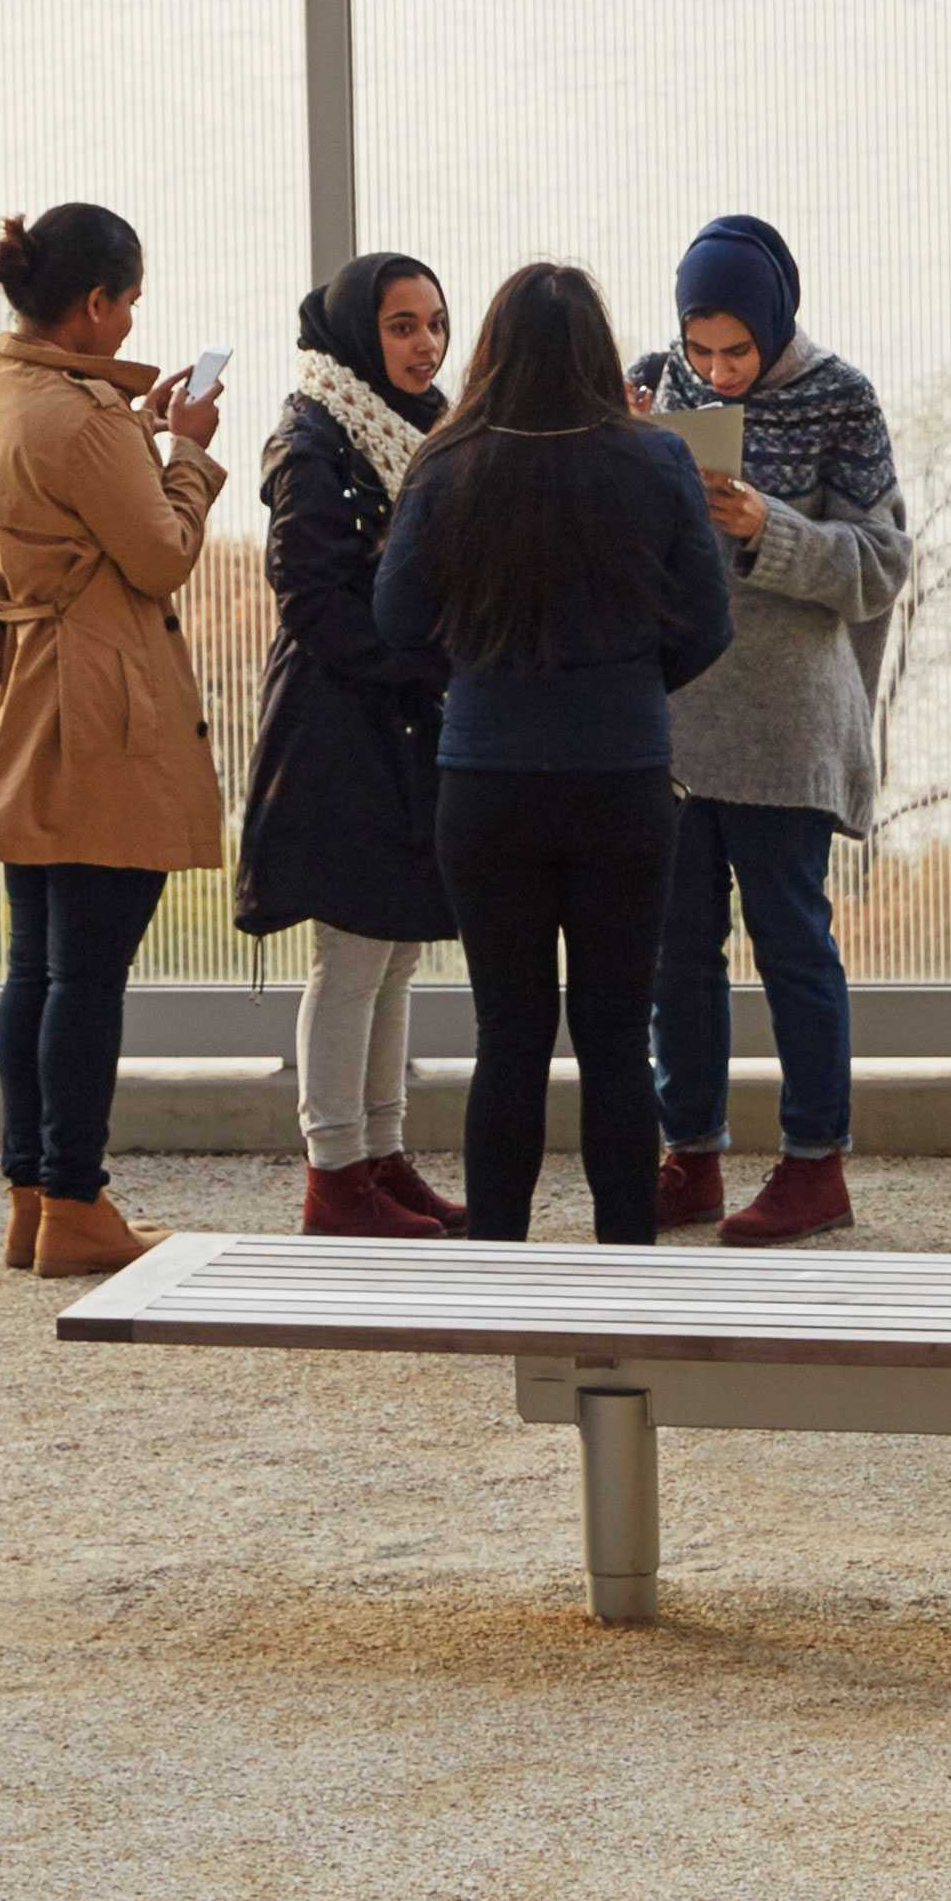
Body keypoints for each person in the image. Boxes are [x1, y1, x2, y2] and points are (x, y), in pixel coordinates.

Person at [370, 260, 729, 1249]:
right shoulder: (654, 461)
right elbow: (707, 623)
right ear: (596, 353)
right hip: (621, 779)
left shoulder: (447, 463)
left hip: (485, 780)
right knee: (616, 1038)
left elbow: (396, 621)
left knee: (509, 1036)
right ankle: (625, 1264)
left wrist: (475, 678)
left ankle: (499, 1259)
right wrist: (627, 686)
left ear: (489, 350)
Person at [0, 198, 227, 1283]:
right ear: (96, 302)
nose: (133, 317)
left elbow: (54, 493)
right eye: (130, 300)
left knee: (37, 957)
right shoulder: (83, 419)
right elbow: (156, 553)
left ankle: (29, 1191)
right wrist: (185, 453)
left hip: (3, 697)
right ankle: (77, 1197)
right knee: (90, 968)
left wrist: (127, 419)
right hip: (92, 703)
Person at [634, 211, 910, 1244]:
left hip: (788, 713)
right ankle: (688, 1153)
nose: (716, 367)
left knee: (791, 942)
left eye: (735, 349)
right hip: (671, 711)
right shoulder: (653, 379)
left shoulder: (843, 395)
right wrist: (620, 440)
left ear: (774, 319)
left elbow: (881, 563)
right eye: (701, 348)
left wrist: (768, 527)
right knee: (675, 949)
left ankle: (813, 1163)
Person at [235, 252, 463, 1233]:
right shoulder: (312, 430)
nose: (423, 344)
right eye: (401, 325)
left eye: (434, 322)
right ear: (354, 334)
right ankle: (334, 1174)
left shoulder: (430, 425)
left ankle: (381, 1153)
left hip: (406, 715)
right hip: (341, 722)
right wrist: (424, 657)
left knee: (399, 947)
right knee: (352, 951)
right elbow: (311, 595)